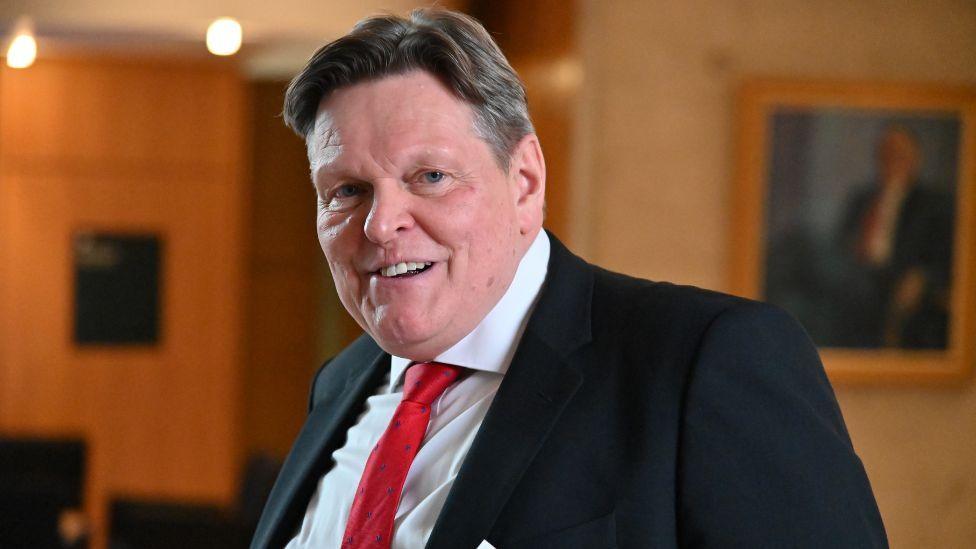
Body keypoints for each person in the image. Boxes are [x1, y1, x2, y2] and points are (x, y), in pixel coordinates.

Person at [252, 8, 887, 548]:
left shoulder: (703, 362)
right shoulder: (339, 384)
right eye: (347, 190)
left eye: (430, 177)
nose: (380, 224)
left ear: (525, 181)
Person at [834, 125, 955, 349]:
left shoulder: (934, 204)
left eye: (900, 153)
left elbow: (947, 256)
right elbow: (841, 244)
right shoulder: (861, 199)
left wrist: (924, 279)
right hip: (861, 277)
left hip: (906, 280)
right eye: (886, 153)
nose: (892, 160)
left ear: (915, 158)